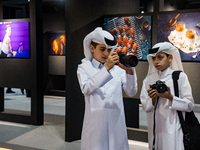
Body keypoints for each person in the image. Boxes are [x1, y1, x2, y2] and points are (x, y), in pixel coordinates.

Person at [77, 27, 137, 150]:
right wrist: (107, 69)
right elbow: (86, 88)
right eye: (102, 49)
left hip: (116, 123)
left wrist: (129, 72)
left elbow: (131, 92)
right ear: (92, 48)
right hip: (96, 125)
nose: (106, 54)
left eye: (109, 50)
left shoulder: (119, 68)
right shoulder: (84, 67)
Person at [140, 42, 195, 150]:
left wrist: (170, 97)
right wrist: (153, 99)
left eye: (160, 57)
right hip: (155, 131)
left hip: (174, 130)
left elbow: (190, 105)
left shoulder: (179, 77)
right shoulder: (149, 79)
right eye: (154, 58)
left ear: (170, 58)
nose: (156, 61)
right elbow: (145, 107)